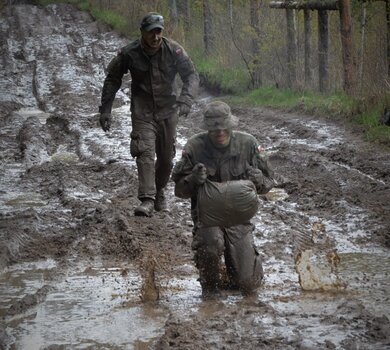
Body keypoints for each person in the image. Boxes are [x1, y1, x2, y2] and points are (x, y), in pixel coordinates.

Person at [98, 12, 199, 216]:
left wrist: (186, 99)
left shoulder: (174, 50)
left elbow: (191, 75)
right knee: (144, 152)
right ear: (142, 32)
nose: (155, 37)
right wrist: (106, 109)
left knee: (166, 158)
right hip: (142, 111)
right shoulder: (129, 53)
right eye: (151, 32)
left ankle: (160, 190)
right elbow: (112, 79)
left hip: (168, 111)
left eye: (158, 32)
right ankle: (147, 199)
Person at [171, 101, 275, 298]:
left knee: (246, 285)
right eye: (214, 129)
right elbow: (179, 191)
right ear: (207, 129)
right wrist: (192, 179)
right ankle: (210, 285)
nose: (220, 133)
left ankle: (240, 269)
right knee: (211, 244)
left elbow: (269, 183)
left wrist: (259, 180)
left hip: (239, 220)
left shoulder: (248, 144)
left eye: (224, 128)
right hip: (208, 220)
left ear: (231, 125)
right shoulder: (195, 147)